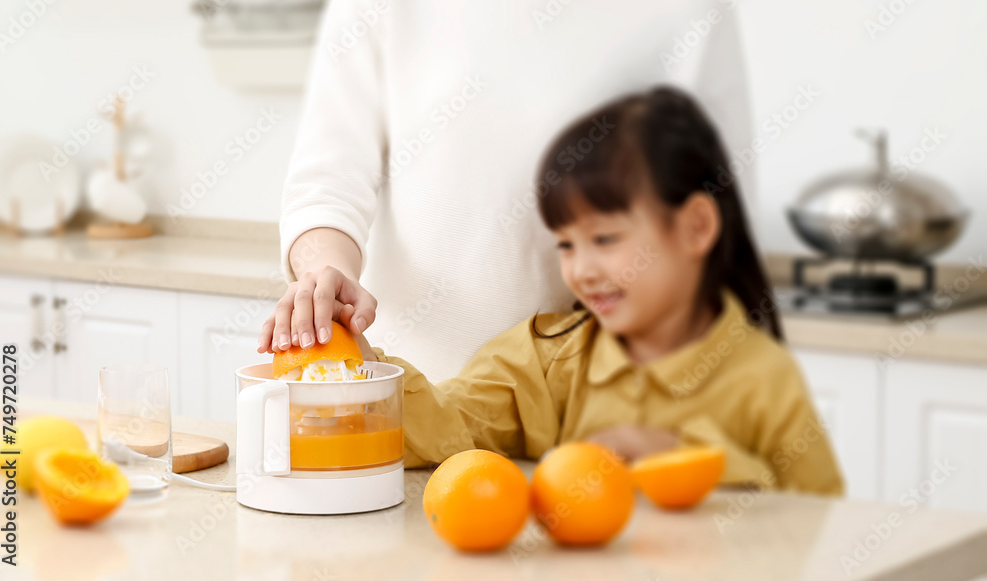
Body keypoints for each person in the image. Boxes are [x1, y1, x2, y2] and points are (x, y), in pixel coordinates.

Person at [354, 87, 843, 495]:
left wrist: (686, 463)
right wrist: (358, 367)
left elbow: (818, 528)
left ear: (696, 226)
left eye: (605, 239)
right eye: (567, 244)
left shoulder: (764, 380)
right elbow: (449, 428)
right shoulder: (549, 359)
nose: (582, 270)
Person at [259, 0, 757, 385]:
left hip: (596, 416)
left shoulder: (688, 11)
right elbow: (329, 178)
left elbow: (720, 223)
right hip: (403, 406)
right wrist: (327, 272)